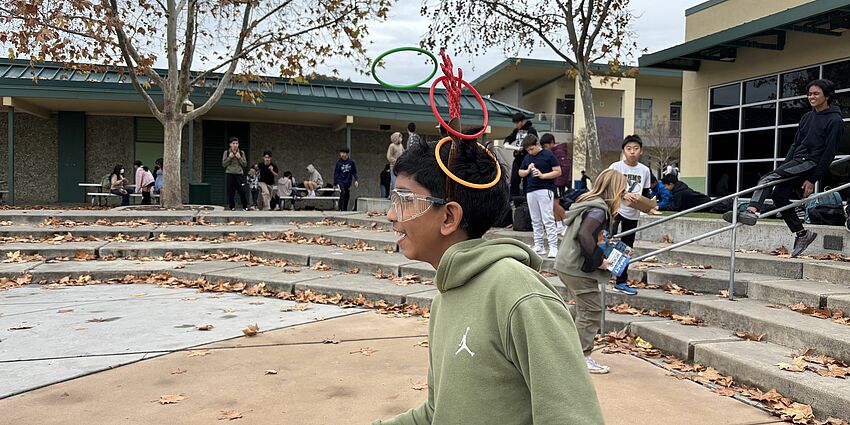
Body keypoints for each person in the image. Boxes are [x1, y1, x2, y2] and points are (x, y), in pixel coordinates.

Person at [374, 139, 603, 425]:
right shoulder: (444, 298)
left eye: (405, 201)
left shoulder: (520, 295)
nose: (391, 215)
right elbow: (437, 412)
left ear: (449, 217)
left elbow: (574, 418)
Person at [725, 79, 844, 257]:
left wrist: (813, 179)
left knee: (766, 179)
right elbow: (795, 144)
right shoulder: (807, 117)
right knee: (779, 196)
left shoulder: (835, 120)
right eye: (810, 93)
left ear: (827, 96)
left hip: (810, 162)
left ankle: (751, 211)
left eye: (816, 93)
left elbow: (829, 153)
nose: (811, 97)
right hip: (796, 161)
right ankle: (802, 234)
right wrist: (784, 166)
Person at [555, 169, 627, 374]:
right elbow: (585, 235)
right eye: (621, 189)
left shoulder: (589, 204)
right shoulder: (598, 210)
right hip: (577, 267)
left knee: (581, 308)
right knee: (591, 309)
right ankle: (581, 357)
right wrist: (599, 261)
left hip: (567, 264)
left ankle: (563, 344)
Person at [609, 134, 652, 296]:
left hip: (633, 214)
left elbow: (645, 193)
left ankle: (620, 281)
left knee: (626, 248)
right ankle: (600, 274)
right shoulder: (616, 167)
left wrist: (649, 206)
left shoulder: (645, 170)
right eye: (629, 149)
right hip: (616, 209)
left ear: (641, 151)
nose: (632, 152)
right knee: (607, 240)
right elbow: (607, 186)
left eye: (635, 149)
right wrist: (623, 193)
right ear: (623, 151)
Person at [517, 134, 561, 258]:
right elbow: (521, 172)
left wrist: (542, 175)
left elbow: (558, 171)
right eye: (527, 150)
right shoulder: (527, 157)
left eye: (531, 149)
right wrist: (528, 170)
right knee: (535, 220)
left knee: (548, 218)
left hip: (545, 189)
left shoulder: (548, 155)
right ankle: (539, 245)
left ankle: (553, 247)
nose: (530, 152)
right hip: (531, 190)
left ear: (537, 145)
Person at [504, 112, 538, 199]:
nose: (516, 125)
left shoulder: (531, 130)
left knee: (527, 178)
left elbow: (535, 142)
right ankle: (512, 197)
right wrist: (508, 143)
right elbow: (510, 138)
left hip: (528, 157)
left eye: (517, 122)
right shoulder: (516, 131)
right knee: (514, 178)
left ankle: (526, 197)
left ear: (523, 121)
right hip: (518, 157)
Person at [222, 136, 249, 211]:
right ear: (230, 144)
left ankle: (245, 206)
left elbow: (245, 164)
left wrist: (239, 157)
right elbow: (223, 164)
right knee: (231, 192)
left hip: (239, 174)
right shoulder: (226, 152)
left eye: (236, 143)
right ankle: (232, 207)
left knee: (242, 191)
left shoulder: (241, 152)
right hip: (229, 174)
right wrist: (229, 158)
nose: (235, 145)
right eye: (233, 143)